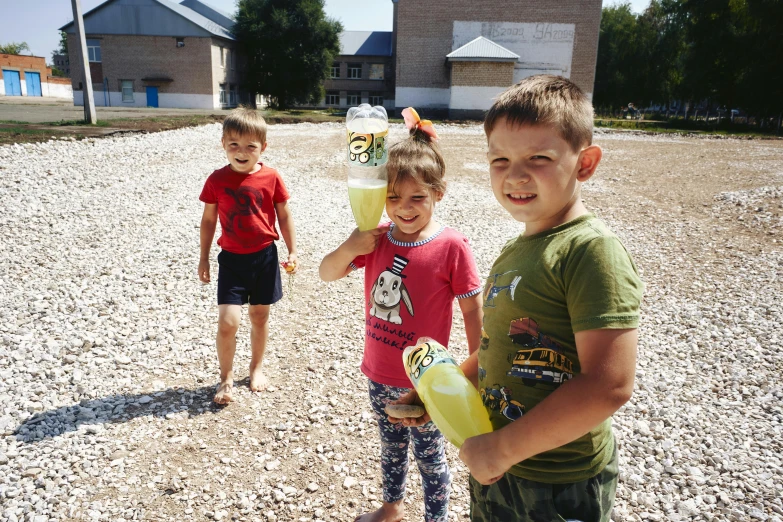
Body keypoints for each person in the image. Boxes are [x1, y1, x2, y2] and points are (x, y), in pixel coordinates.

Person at [395, 76, 644, 522]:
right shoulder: (517, 249)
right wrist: (435, 393)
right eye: (500, 160)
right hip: (497, 460)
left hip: (557, 480)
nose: (515, 175)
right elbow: (495, 350)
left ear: (584, 163)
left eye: (539, 158)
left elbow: (609, 384)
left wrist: (503, 448)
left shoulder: (590, 250)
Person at [319, 107, 484, 522]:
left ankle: (436, 518)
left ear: (438, 194)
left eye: (417, 198)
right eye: (392, 198)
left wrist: (476, 368)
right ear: (379, 196)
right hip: (379, 371)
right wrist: (349, 247)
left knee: (431, 460)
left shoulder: (452, 246)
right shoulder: (374, 239)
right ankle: (391, 508)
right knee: (390, 448)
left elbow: (471, 308)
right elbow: (326, 273)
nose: (404, 208)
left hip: (427, 380)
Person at [198, 107, 297, 405]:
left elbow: (284, 215)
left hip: (265, 258)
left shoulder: (271, 177)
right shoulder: (216, 180)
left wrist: (293, 250)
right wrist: (203, 258)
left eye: (250, 146)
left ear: (262, 147)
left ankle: (256, 367)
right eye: (234, 145)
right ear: (223, 144)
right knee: (228, 322)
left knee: (259, 316)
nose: (242, 152)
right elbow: (208, 221)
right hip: (231, 260)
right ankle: (225, 378)